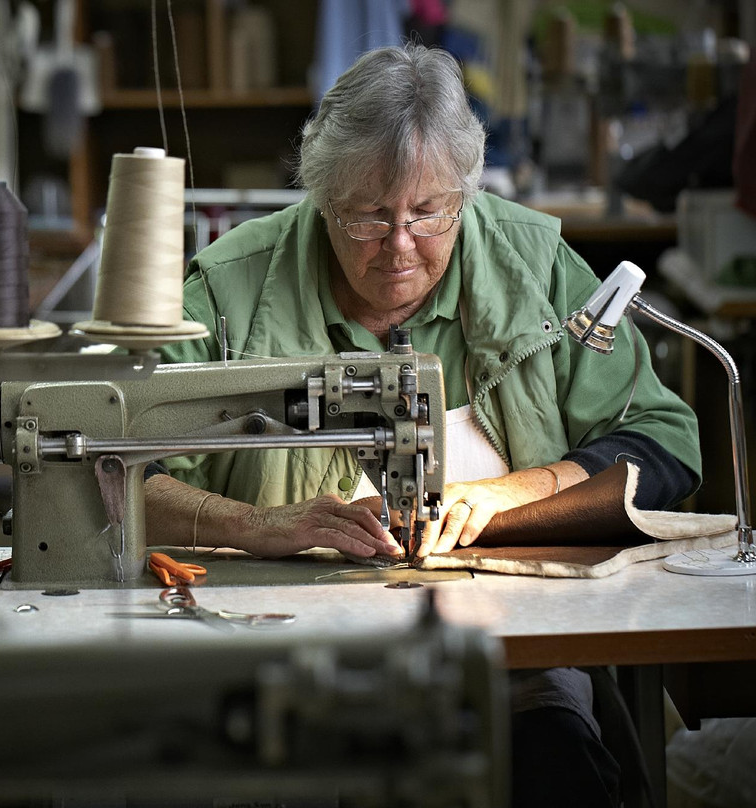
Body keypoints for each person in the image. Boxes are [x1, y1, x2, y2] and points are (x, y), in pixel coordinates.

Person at [147, 45, 701, 807]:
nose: (400, 245)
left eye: (428, 212)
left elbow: (664, 441)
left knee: (555, 763)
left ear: (466, 195)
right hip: (283, 652)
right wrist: (253, 524)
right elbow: (109, 470)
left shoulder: (532, 268)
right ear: (321, 197)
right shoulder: (230, 291)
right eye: (369, 215)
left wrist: (523, 492)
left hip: (514, 653)